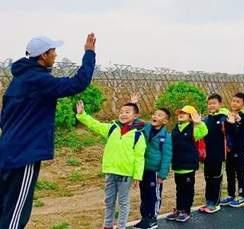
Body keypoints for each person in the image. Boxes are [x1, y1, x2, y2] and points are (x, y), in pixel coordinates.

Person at [0, 33, 96, 229]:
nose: (55, 55)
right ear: (43, 55)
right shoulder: (39, 80)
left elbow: (4, 119)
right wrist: (89, 53)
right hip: (23, 155)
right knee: (16, 212)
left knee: (5, 206)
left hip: (8, 151)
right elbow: (78, 83)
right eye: (53, 51)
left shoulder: (19, 81)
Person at [75, 99, 146, 229]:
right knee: (109, 201)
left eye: (127, 112)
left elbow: (139, 157)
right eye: (121, 112)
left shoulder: (138, 135)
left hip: (125, 174)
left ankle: (121, 226)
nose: (123, 114)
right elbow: (95, 125)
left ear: (135, 116)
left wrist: (137, 176)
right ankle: (108, 225)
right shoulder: (112, 128)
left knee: (123, 202)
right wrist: (82, 115)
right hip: (110, 171)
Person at [167, 105, 208, 223]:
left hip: (189, 165)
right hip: (177, 165)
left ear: (190, 117)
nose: (181, 114)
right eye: (180, 113)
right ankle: (179, 209)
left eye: (184, 113)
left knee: (187, 189)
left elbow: (204, 132)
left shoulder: (193, 128)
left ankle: (186, 210)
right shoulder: (175, 128)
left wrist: (199, 123)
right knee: (179, 189)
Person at [134, 107, 173, 229]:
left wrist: (162, 174)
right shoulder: (146, 128)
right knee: (144, 194)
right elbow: (135, 121)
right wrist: (134, 104)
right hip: (143, 169)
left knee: (154, 195)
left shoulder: (166, 136)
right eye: (154, 114)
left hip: (155, 171)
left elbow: (167, 156)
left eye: (159, 115)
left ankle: (152, 218)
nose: (155, 116)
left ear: (165, 121)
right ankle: (144, 217)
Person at [221, 93, 244, 208]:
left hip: (240, 150)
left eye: (238, 101)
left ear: (243, 104)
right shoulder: (227, 116)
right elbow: (226, 132)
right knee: (229, 173)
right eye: (233, 101)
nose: (234, 103)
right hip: (229, 150)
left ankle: (241, 195)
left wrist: (239, 120)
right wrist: (229, 122)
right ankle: (231, 194)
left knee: (240, 173)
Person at [199, 94, 229, 214]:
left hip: (218, 154)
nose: (211, 105)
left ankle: (216, 203)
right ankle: (209, 201)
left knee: (216, 178)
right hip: (207, 155)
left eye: (214, 103)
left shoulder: (223, 118)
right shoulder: (205, 120)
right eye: (209, 103)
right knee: (208, 178)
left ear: (220, 104)